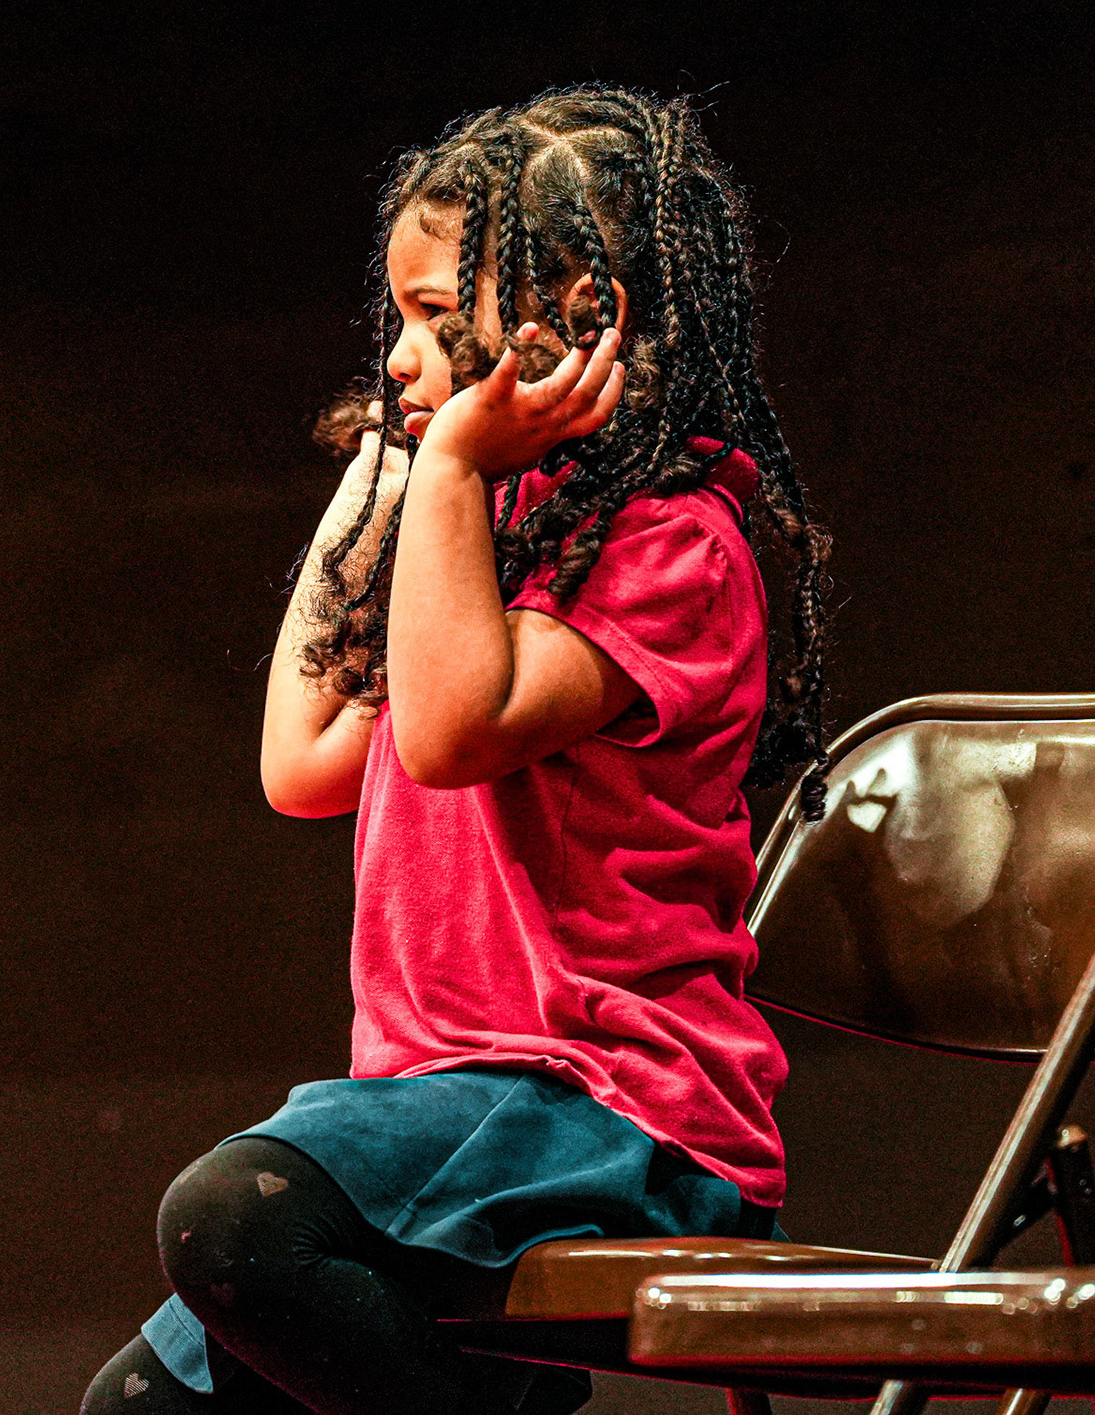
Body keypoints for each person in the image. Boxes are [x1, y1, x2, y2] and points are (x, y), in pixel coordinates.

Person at [79, 86, 834, 1415]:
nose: (400, 360)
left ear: (577, 318)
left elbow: (444, 733)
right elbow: (306, 758)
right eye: (400, 321)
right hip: (451, 1115)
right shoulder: (504, 523)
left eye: (437, 319)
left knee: (233, 1223)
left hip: (616, 1113)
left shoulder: (672, 544)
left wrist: (441, 479)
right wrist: (382, 478)